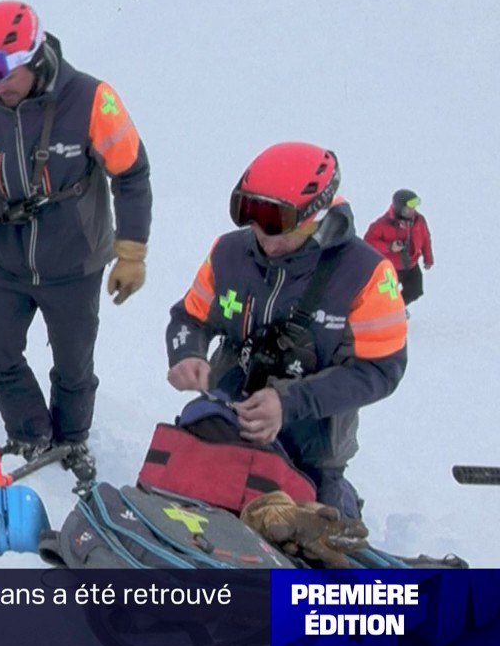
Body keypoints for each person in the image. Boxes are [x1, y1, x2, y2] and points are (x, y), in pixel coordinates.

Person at [0, 0, 153, 485]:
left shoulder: (91, 99)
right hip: (5, 256)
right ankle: (33, 436)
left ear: (32, 57)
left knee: (73, 366)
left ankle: (72, 438)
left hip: (74, 259)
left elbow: (131, 172)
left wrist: (132, 249)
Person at [164, 142, 408, 520]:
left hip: (313, 446)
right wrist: (187, 353)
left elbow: (380, 370)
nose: (263, 234)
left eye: (277, 220)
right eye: (250, 213)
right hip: (227, 424)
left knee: (310, 548)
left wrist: (290, 402)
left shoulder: (367, 275)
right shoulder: (229, 254)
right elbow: (189, 318)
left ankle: (340, 502)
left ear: (317, 217)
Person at [363, 189, 434, 311]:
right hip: (390, 269)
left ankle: (397, 308)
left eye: (414, 207)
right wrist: (390, 247)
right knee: (386, 295)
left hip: (411, 264)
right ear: (400, 208)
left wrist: (428, 257)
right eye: (409, 208)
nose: (413, 211)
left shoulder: (419, 220)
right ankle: (386, 311)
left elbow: (425, 238)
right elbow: (368, 242)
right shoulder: (383, 224)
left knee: (415, 291)